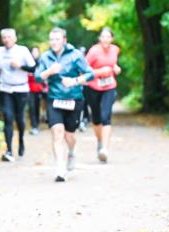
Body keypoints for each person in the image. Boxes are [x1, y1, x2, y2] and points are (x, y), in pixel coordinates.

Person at [34, 28, 94, 182]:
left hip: (74, 99)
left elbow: (90, 73)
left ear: (64, 40)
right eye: (51, 39)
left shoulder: (75, 55)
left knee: (69, 135)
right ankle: (60, 168)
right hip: (54, 99)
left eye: (57, 39)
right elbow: (37, 78)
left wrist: (74, 81)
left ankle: (72, 151)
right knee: (57, 133)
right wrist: (49, 71)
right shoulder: (46, 57)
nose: (54, 42)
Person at [0, 28, 35, 161]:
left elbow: (34, 68)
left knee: (19, 118)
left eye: (9, 37)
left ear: (15, 38)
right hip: (5, 88)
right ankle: (9, 150)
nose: (7, 40)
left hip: (21, 89)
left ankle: (21, 140)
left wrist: (20, 66)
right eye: (4, 37)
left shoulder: (23, 50)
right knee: (8, 117)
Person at [85, 27, 121, 162]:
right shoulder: (94, 51)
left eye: (108, 37)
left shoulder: (115, 49)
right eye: (103, 37)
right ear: (99, 38)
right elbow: (83, 68)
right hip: (93, 87)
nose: (106, 39)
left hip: (109, 86)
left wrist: (116, 68)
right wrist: (99, 72)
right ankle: (100, 141)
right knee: (96, 118)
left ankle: (104, 149)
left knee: (106, 116)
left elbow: (113, 63)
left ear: (112, 38)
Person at [26, 45, 45, 135]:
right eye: (33, 52)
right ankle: (34, 126)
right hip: (29, 88)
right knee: (32, 106)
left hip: (39, 88)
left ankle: (37, 124)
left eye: (36, 52)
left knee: (37, 106)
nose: (35, 54)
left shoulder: (41, 63)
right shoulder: (28, 63)